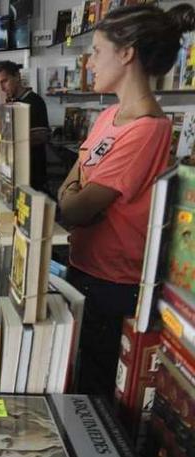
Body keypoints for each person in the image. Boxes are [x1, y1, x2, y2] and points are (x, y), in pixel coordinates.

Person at [57, 3, 195, 396]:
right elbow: (76, 180)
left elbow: (75, 207)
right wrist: (76, 192)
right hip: (84, 269)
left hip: (113, 283)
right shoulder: (109, 116)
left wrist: (75, 193)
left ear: (126, 52)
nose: (89, 63)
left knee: (95, 390)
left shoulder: (148, 128)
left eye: (97, 51)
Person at [0, 60, 51, 195]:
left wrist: (12, 137)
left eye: (4, 81)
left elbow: (42, 136)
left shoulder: (34, 101)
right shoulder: (11, 103)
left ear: (17, 76)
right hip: (14, 173)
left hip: (32, 175)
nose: (1, 88)